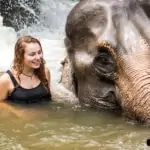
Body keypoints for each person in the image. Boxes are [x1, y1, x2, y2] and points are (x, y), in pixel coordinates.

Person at [0, 35, 52, 117]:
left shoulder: (45, 72)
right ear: (20, 56)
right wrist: (17, 111)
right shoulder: (6, 80)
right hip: (21, 123)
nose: (38, 57)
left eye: (39, 52)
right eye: (32, 54)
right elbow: (0, 103)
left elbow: (49, 95)